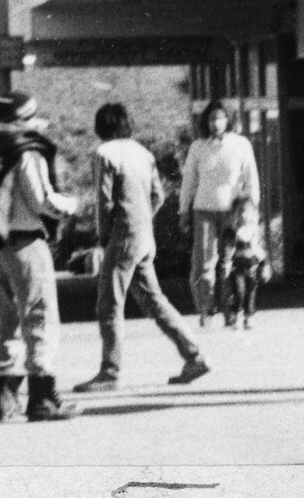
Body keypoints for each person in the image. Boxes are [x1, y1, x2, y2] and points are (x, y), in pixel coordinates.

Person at [74, 103, 210, 393]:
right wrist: (143, 218)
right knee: (153, 299)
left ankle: (110, 371)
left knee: (108, 304)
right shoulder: (143, 153)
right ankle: (193, 355)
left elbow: (104, 201)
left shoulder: (104, 154)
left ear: (101, 127)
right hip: (144, 234)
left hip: (122, 236)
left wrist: (103, 234)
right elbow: (158, 194)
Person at [0, 91, 81, 422]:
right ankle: (43, 399)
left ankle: (4, 399)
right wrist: (70, 205)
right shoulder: (26, 150)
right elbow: (40, 200)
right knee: (40, 318)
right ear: (23, 118)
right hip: (27, 245)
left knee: (5, 321)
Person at [179, 101, 261, 328]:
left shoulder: (240, 144)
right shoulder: (198, 147)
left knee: (231, 263)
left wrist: (252, 208)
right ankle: (206, 308)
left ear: (228, 120)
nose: (216, 123)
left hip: (232, 211)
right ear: (206, 122)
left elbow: (251, 176)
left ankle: (231, 310)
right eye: (212, 119)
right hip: (203, 209)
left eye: (220, 118)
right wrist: (184, 210)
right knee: (204, 263)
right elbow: (189, 181)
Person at [220, 194, 272, 330]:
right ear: (234, 214)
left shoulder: (255, 231)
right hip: (237, 268)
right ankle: (236, 314)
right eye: (240, 212)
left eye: (248, 212)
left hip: (251, 267)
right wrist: (226, 264)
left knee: (250, 293)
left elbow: (260, 250)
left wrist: (265, 265)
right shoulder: (232, 232)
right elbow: (228, 249)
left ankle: (249, 316)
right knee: (239, 291)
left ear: (254, 214)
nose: (244, 215)